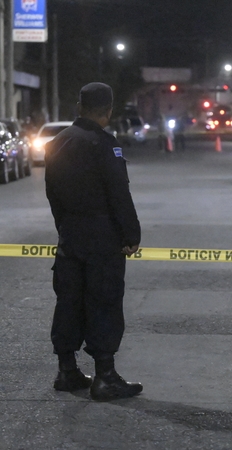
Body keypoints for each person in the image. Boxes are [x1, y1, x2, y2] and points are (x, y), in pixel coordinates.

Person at [45, 82, 143, 402]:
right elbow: (118, 193)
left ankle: (67, 370)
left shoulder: (57, 142)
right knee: (104, 300)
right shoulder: (104, 144)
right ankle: (105, 376)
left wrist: (65, 226)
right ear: (108, 110)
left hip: (70, 233)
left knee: (69, 300)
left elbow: (53, 194)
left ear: (79, 106)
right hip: (102, 236)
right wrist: (130, 234)